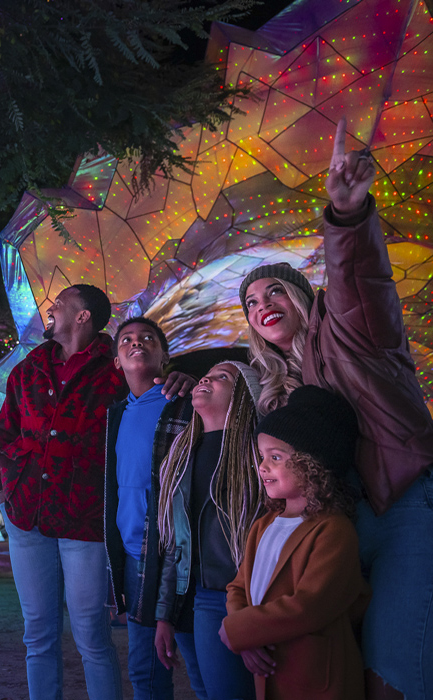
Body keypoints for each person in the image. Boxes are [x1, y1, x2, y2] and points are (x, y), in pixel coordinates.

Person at [239, 118, 433, 700]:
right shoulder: (273, 391)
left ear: (302, 296)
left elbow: (360, 279)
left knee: (392, 675)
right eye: (251, 301)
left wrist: (347, 217)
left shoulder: (351, 331)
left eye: (275, 289)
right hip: (333, 529)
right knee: (336, 675)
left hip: (402, 508)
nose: (263, 303)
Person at [0, 284, 192, 700]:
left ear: (82, 316)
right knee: (37, 632)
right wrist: (2, 487)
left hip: (84, 520)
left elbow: (150, 389)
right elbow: (3, 432)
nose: (50, 308)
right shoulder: (29, 369)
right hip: (26, 515)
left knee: (91, 634)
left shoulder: (115, 366)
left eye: (59, 303)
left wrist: (183, 377)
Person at [221, 385, 369, 700]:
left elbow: (309, 606)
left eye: (275, 457)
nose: (262, 466)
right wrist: (245, 636)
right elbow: (238, 587)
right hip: (269, 675)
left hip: (316, 682)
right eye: (262, 457)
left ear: (311, 465)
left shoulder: (333, 530)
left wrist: (240, 631)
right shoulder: (263, 525)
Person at [104, 317, 203, 700]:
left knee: (202, 668)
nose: (137, 342)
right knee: (145, 672)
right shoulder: (116, 415)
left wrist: (193, 383)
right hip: (137, 558)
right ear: (117, 361)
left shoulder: (187, 404)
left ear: (165, 355)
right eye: (126, 339)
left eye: (148, 338)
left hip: (182, 558)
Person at [153, 361, 262, 700]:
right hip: (195, 597)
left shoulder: (260, 455)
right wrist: (165, 615)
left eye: (222, 377)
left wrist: (254, 618)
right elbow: (175, 542)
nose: (206, 378)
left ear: (244, 396)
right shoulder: (181, 454)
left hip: (245, 597)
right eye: (207, 375)